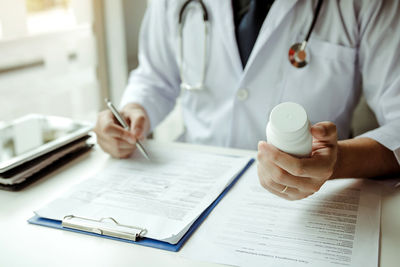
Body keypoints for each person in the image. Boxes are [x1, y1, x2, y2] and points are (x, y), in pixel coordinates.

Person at [94, 0, 400, 200]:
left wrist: (338, 162)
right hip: (194, 187)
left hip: (311, 198)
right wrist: (132, 111)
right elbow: (155, 76)